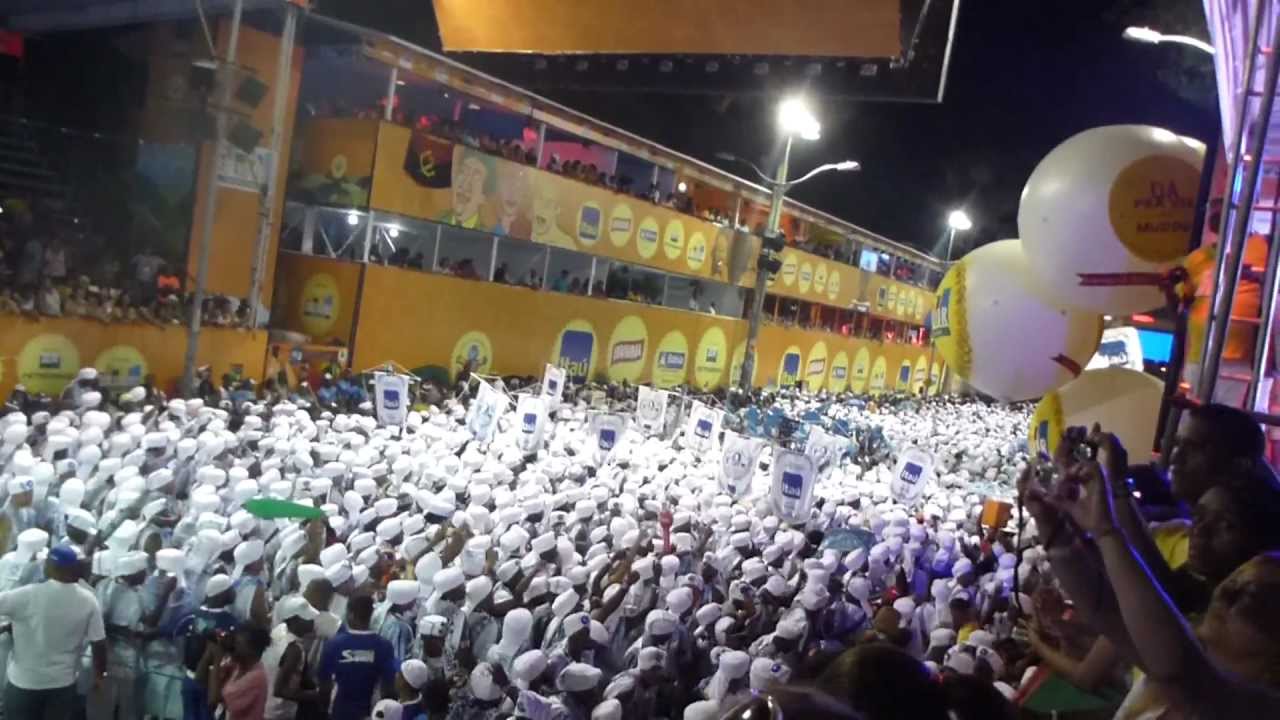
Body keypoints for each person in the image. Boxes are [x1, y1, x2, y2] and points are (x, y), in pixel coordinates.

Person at [0, 544, 107, 720]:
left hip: (24, 683)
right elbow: (99, 643)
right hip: (62, 685)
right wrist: (100, 676)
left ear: (51, 566)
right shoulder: (88, 600)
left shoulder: (27, 595)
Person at [319, 594, 397, 720]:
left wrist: (323, 711)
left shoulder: (333, 644)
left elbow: (324, 684)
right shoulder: (384, 646)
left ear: (350, 614)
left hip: (339, 712)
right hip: (371, 713)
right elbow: (388, 687)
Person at [176, 574, 241, 720]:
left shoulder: (192, 616)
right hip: (213, 684)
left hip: (190, 678)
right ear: (221, 594)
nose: (234, 592)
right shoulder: (229, 621)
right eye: (230, 589)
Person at [200, 624, 272, 720]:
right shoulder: (238, 666)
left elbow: (213, 700)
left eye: (238, 644)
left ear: (251, 650)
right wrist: (210, 653)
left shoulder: (256, 678)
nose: (234, 647)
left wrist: (216, 660)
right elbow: (200, 678)